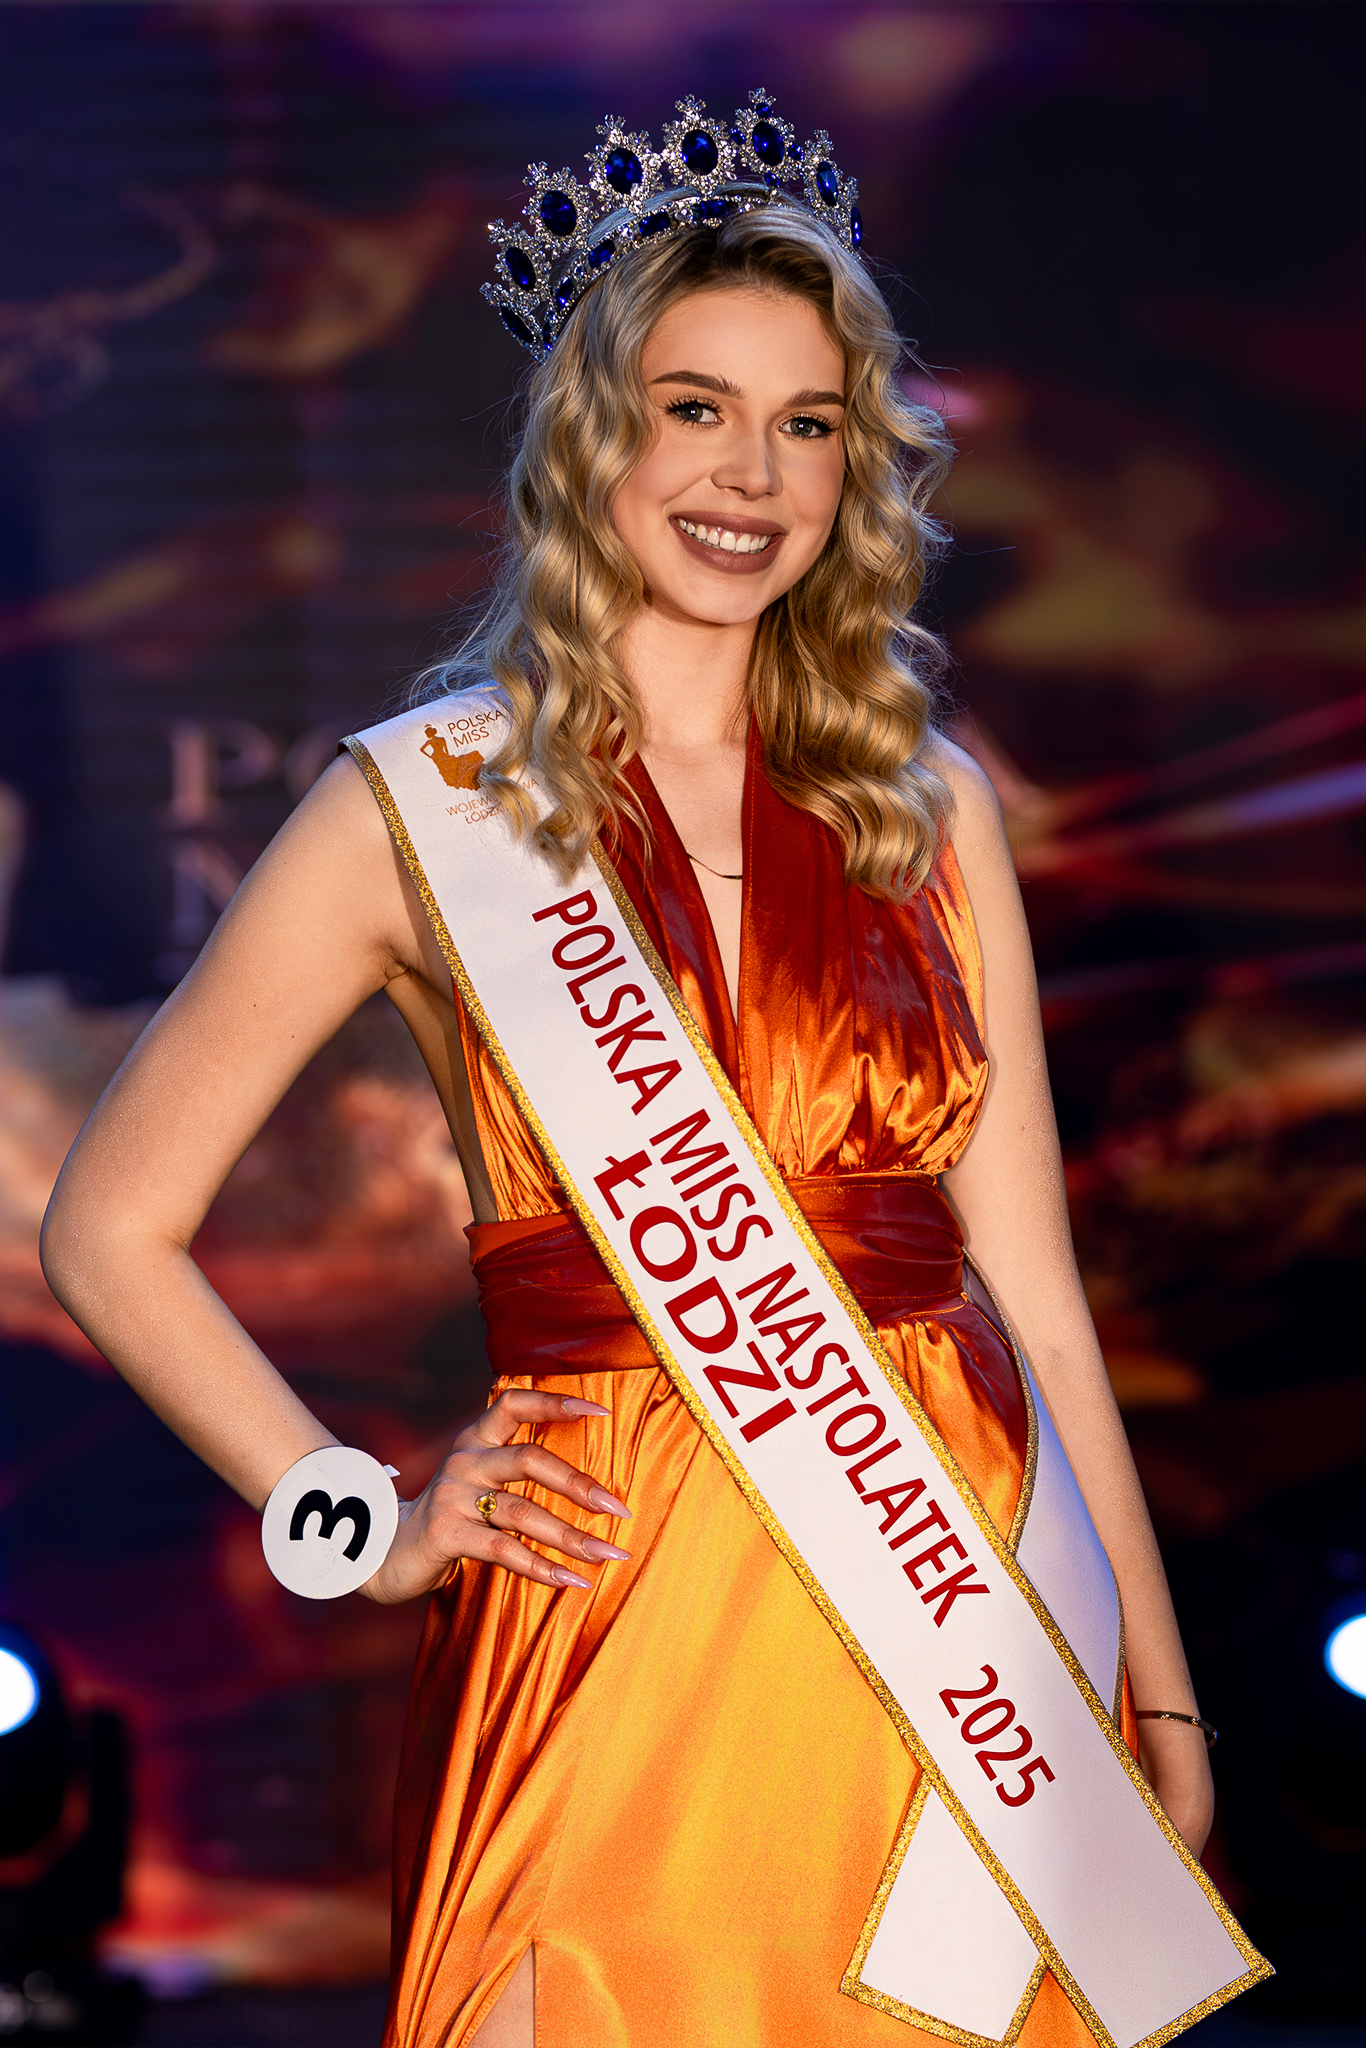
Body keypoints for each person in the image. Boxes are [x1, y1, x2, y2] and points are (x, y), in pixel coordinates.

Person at [42, 99, 1216, 2048]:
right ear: (592, 434)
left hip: (958, 1606)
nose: (751, 473)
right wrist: (358, 1522)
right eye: (693, 408)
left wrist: (1156, 1691)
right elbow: (107, 1226)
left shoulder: (927, 806)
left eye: (807, 422)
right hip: (610, 1595)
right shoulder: (421, 805)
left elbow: (1034, 1299)